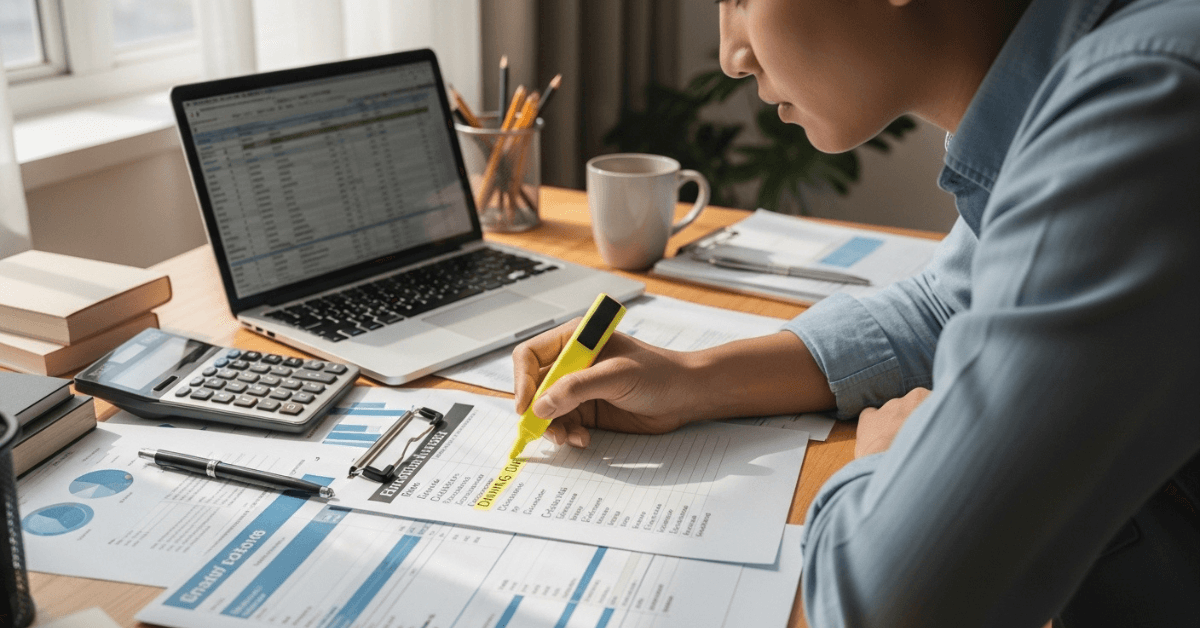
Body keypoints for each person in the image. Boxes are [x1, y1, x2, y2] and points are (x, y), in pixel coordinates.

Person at [512, 0, 1200, 626]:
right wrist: (698, 378)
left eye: (739, 0)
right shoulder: (1085, 84)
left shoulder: (1143, 104)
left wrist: (891, 465)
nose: (730, 55)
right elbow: (948, 300)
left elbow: (887, 605)